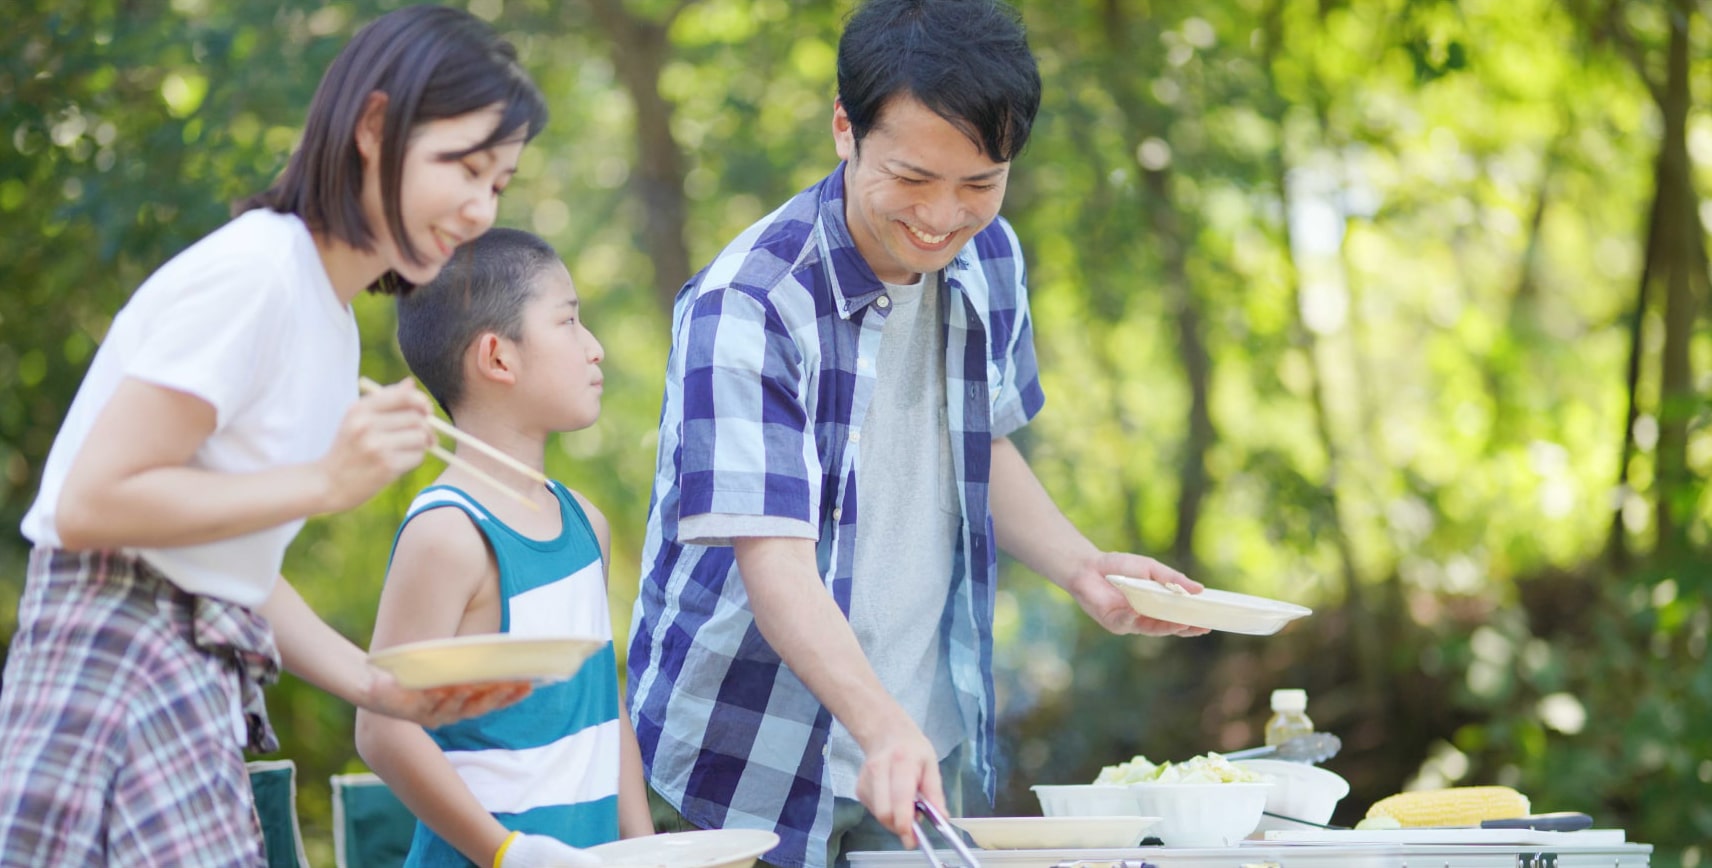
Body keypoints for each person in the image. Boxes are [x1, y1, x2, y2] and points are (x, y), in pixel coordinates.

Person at [625, 2, 1209, 867]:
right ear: (843, 129)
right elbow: (773, 559)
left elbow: (982, 446)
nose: (943, 216)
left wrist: (1084, 567)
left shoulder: (991, 257)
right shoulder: (749, 306)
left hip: (924, 750)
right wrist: (881, 726)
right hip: (741, 758)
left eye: (980, 182)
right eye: (912, 177)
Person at [0, 7, 549, 865]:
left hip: (188, 660)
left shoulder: (321, 316)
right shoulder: (257, 273)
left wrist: (383, 686)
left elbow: (234, 567)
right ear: (375, 128)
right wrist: (325, 483)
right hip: (114, 651)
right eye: (466, 168)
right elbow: (91, 503)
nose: (480, 208)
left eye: (501, 184)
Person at [357, 228, 654, 868]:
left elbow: (606, 716)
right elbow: (381, 729)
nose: (594, 349)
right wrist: (508, 853)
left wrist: (648, 851)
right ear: (498, 357)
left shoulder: (586, 524)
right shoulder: (448, 535)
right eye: (569, 322)